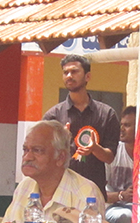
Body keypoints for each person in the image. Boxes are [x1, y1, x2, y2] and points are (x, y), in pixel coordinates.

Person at [3, 120, 104, 223]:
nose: (27, 157)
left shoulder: (86, 194)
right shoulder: (24, 187)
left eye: (37, 150)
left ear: (60, 157)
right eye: (25, 150)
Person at [42, 54, 120, 197]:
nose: (69, 76)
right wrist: (61, 141)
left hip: (93, 192)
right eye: (65, 72)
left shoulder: (107, 114)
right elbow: (44, 156)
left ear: (87, 76)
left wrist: (95, 148)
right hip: (60, 191)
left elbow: (109, 158)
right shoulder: (53, 116)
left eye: (74, 71)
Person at [105, 106, 136, 223]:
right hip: (113, 208)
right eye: (121, 125)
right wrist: (121, 195)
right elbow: (98, 194)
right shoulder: (113, 152)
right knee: (126, 217)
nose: (121, 129)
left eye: (127, 125)